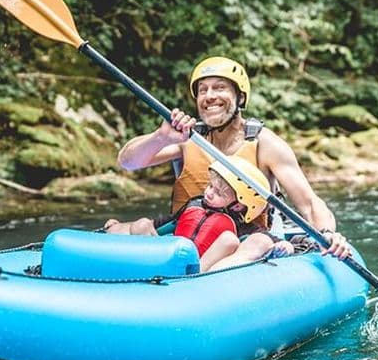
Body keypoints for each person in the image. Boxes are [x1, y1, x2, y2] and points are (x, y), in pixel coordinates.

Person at [116, 56, 351, 267]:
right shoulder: (188, 138)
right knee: (137, 227)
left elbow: (309, 203)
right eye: (203, 90)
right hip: (186, 235)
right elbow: (128, 162)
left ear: (240, 97)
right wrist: (160, 137)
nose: (209, 96)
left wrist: (327, 233)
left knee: (255, 243)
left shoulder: (265, 144)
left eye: (220, 88)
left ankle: (197, 277)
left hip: (242, 244)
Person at [105, 157, 294, 272]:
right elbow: (160, 225)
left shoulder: (239, 226)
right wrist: (117, 227)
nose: (209, 193)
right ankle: (141, 270)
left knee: (230, 239)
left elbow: (265, 237)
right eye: (210, 186)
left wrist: (284, 245)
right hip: (170, 260)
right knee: (141, 224)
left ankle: (196, 277)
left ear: (238, 206)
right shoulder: (193, 206)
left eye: (219, 193)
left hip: (203, 270)